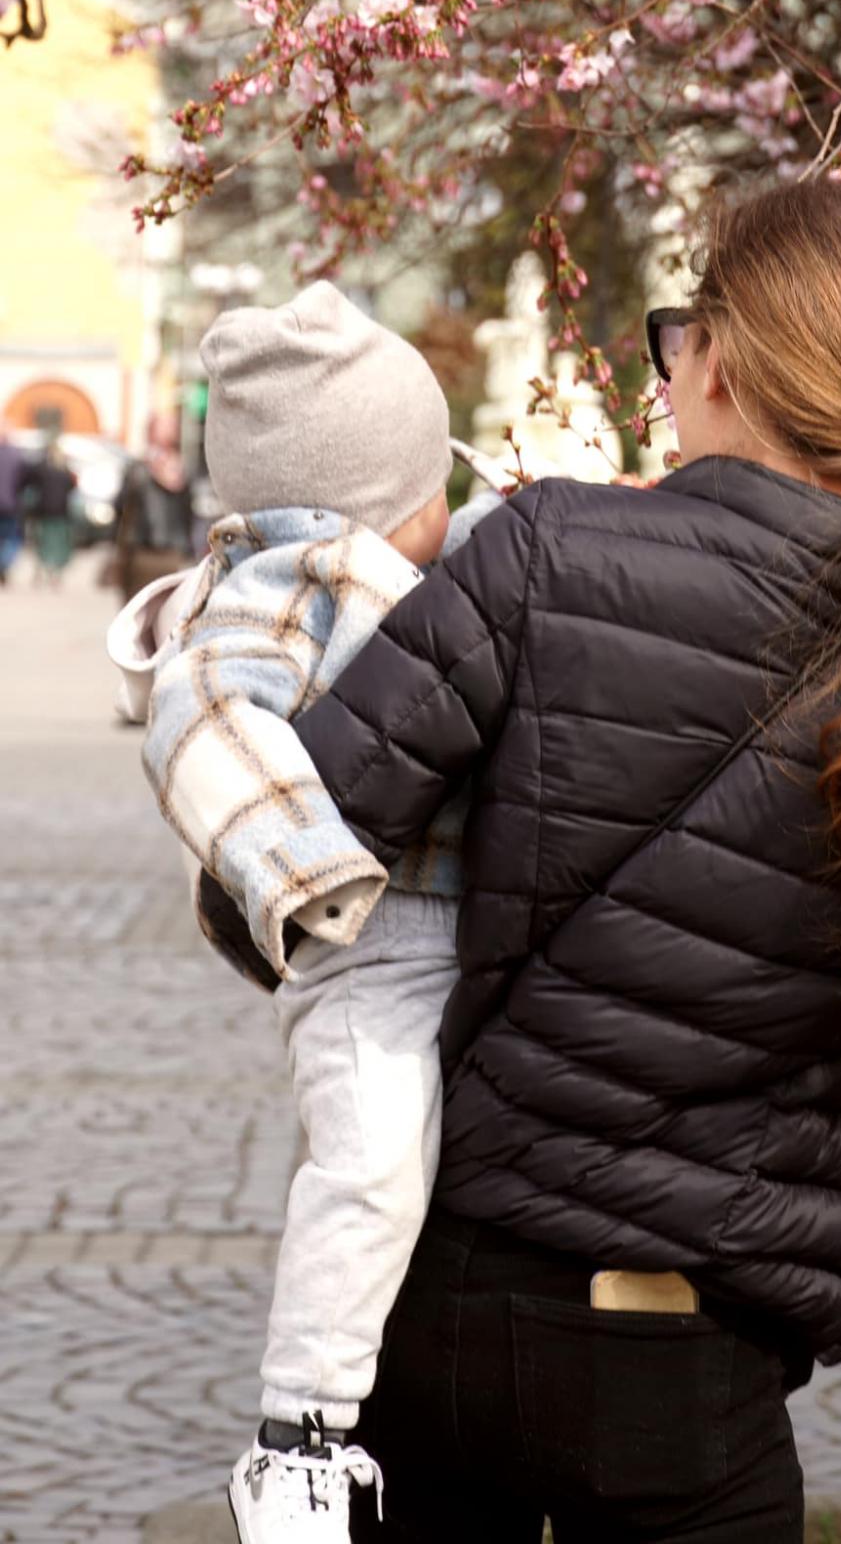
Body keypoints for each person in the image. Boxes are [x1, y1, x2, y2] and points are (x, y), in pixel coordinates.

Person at [291, 179, 841, 1544]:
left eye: (677, 335)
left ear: (719, 356)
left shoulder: (544, 551)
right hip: (700, 1342)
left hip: (451, 1300)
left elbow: (278, 857)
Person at [131, 282, 497, 1543]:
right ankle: (301, 1438)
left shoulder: (424, 557)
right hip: (372, 945)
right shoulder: (291, 583)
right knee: (371, 1163)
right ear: (390, 493)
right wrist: (308, 867)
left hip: (462, 930)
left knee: (414, 1172)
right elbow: (202, 722)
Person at [112, 413, 195, 601]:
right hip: (173, 554)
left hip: (141, 553)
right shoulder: (183, 470)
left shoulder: (138, 469)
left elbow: (119, 506)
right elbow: (189, 514)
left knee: (135, 615)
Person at [24, 441, 78, 584]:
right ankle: (55, 573)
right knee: (59, 543)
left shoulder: (42, 470)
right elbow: (73, 487)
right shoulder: (65, 472)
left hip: (44, 512)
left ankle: (42, 570)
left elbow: (30, 480)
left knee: (43, 542)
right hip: (60, 512)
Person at [0, 425, 30, 584]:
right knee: (12, 538)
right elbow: (24, 481)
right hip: (11, 505)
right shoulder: (17, 456)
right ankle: (4, 563)